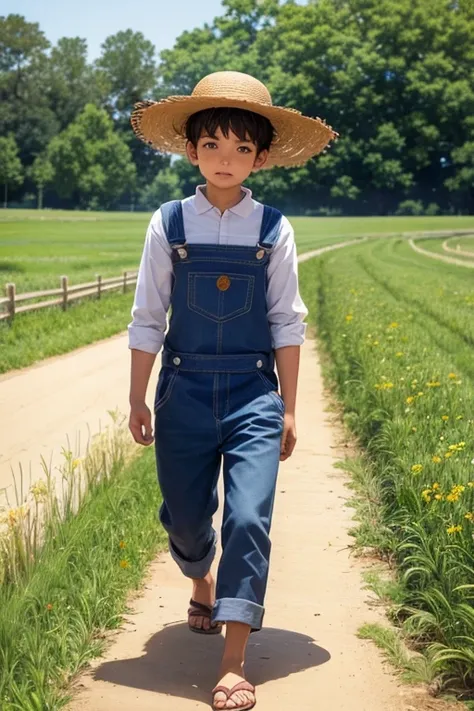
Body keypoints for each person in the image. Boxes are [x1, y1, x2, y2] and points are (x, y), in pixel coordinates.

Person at [127, 71, 337, 711]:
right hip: (183, 389)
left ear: (262, 157)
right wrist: (137, 397)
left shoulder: (274, 229)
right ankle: (200, 579)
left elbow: (286, 321)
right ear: (191, 151)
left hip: (253, 394)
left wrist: (292, 406)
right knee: (189, 521)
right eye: (212, 145)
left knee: (249, 516)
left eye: (240, 149)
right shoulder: (168, 224)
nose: (226, 159)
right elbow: (146, 316)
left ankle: (233, 660)